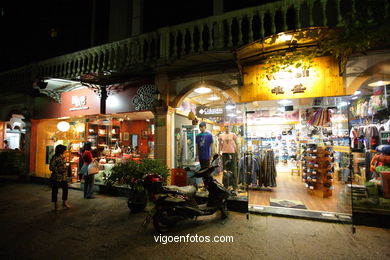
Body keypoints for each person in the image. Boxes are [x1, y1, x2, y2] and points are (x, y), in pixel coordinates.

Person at [49, 144, 70, 211]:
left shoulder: (62, 156)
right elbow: (51, 167)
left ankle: (64, 203)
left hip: (64, 177)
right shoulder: (55, 158)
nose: (65, 151)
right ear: (61, 150)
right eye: (64, 150)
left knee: (65, 190)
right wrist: (59, 170)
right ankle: (56, 205)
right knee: (55, 191)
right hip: (57, 177)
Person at [218, 124, 239, 191]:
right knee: (225, 170)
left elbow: (237, 143)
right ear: (224, 127)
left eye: (228, 126)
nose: (227, 128)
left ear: (230, 127)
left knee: (233, 170)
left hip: (232, 154)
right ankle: (225, 186)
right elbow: (219, 145)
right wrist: (219, 153)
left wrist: (237, 153)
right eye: (225, 126)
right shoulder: (221, 135)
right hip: (224, 154)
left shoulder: (233, 135)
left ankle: (234, 186)